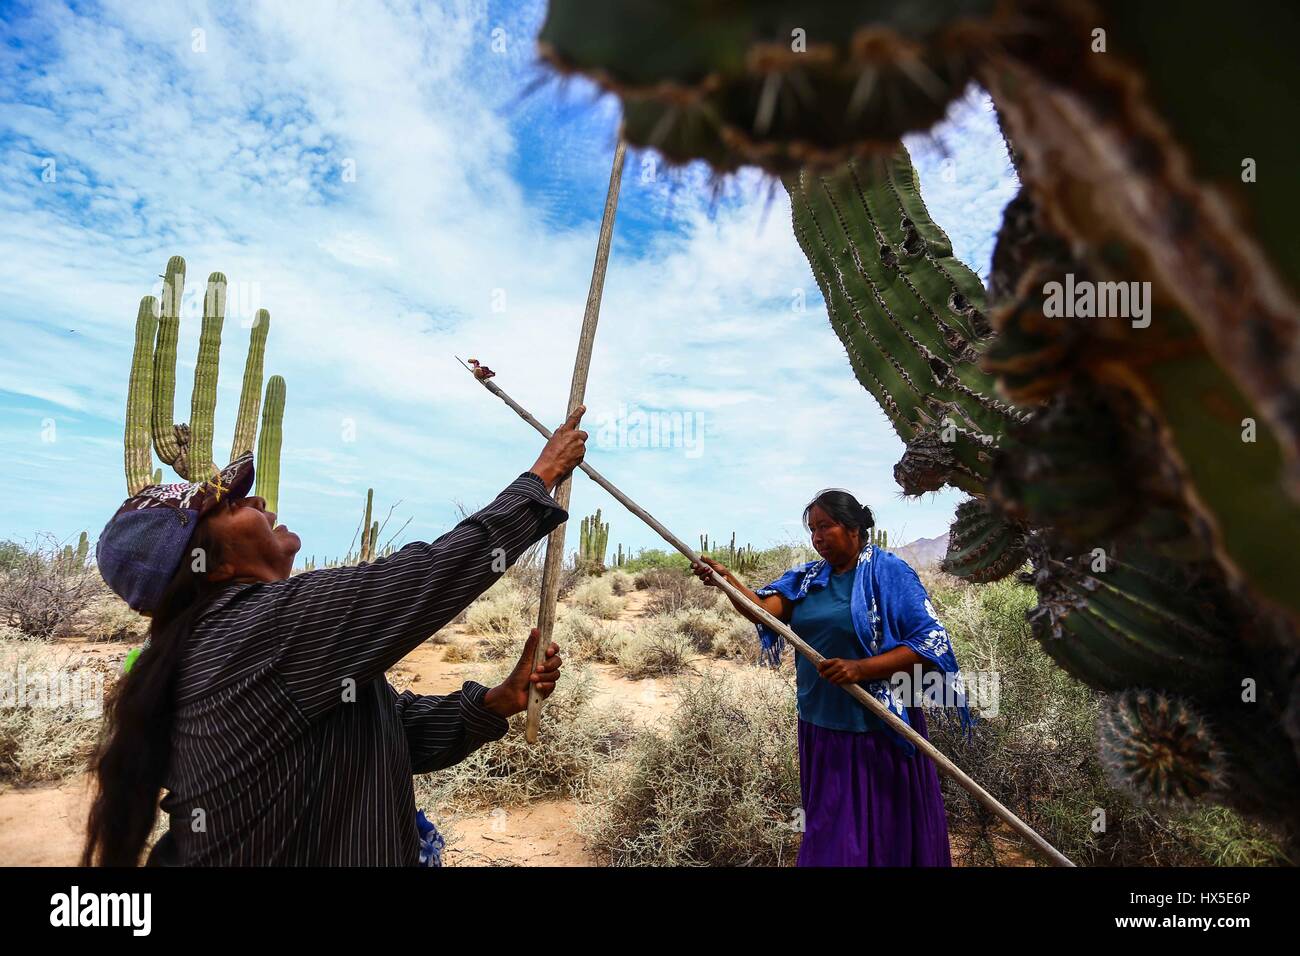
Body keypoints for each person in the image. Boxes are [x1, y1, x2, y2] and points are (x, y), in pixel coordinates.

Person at [81, 406, 589, 866]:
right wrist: (541, 477)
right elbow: (426, 578)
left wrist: (495, 703)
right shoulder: (258, 631)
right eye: (232, 504)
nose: (258, 498)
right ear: (210, 565)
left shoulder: (214, 643)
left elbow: (382, 732)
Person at [693, 488, 971, 866]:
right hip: (821, 727)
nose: (818, 537)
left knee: (886, 832)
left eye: (826, 526)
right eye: (812, 529)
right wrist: (726, 581)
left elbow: (931, 641)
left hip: (877, 728)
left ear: (853, 527)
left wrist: (861, 669)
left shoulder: (887, 572)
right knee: (832, 834)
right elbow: (763, 611)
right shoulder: (808, 579)